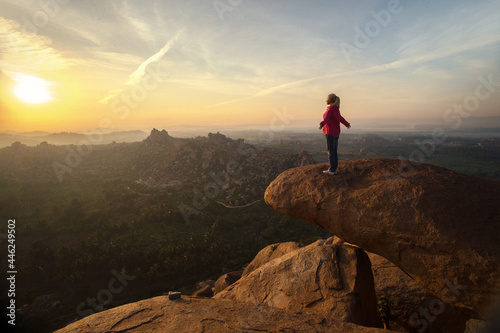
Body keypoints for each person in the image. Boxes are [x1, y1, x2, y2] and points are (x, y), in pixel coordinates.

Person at [319, 93, 350, 175]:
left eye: (327, 99)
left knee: (331, 151)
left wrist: (322, 123)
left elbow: (326, 118)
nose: (326, 100)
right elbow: (340, 118)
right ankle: (334, 168)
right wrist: (346, 124)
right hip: (336, 133)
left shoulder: (331, 109)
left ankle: (332, 170)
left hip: (330, 133)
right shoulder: (336, 109)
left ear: (330, 100)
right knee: (334, 151)